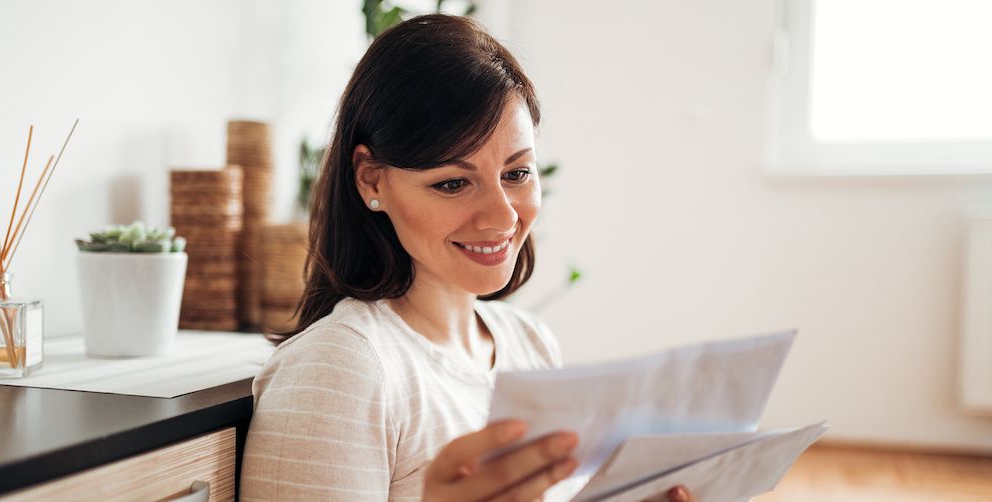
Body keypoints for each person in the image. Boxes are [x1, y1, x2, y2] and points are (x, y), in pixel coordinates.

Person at [239, 14, 692, 502]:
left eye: (516, 174)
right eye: (453, 183)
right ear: (372, 180)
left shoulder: (530, 345)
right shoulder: (342, 369)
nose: (501, 217)